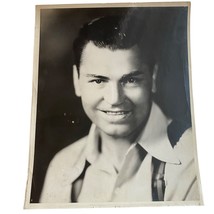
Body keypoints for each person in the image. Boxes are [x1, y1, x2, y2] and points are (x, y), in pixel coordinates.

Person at [39, 15, 200, 203]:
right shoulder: (63, 165)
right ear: (77, 81)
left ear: (153, 78)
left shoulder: (193, 161)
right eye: (98, 80)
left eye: (130, 80)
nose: (114, 99)